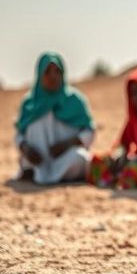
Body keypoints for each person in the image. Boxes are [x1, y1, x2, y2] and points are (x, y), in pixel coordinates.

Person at [15, 52, 94, 184]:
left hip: (65, 159)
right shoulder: (29, 103)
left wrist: (67, 144)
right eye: (48, 72)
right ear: (40, 75)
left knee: (80, 159)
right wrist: (26, 149)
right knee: (26, 161)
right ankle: (35, 172)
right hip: (37, 161)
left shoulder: (75, 100)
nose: (53, 76)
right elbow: (19, 135)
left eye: (57, 72)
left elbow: (89, 132)